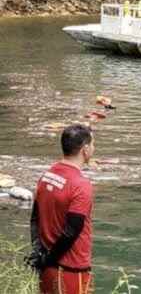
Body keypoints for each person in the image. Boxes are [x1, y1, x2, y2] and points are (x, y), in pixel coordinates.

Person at [27, 124, 95, 294]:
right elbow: (72, 230)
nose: (94, 148)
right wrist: (49, 259)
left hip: (47, 267)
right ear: (85, 149)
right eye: (93, 144)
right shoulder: (81, 184)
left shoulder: (47, 175)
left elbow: (35, 218)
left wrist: (39, 254)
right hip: (71, 270)